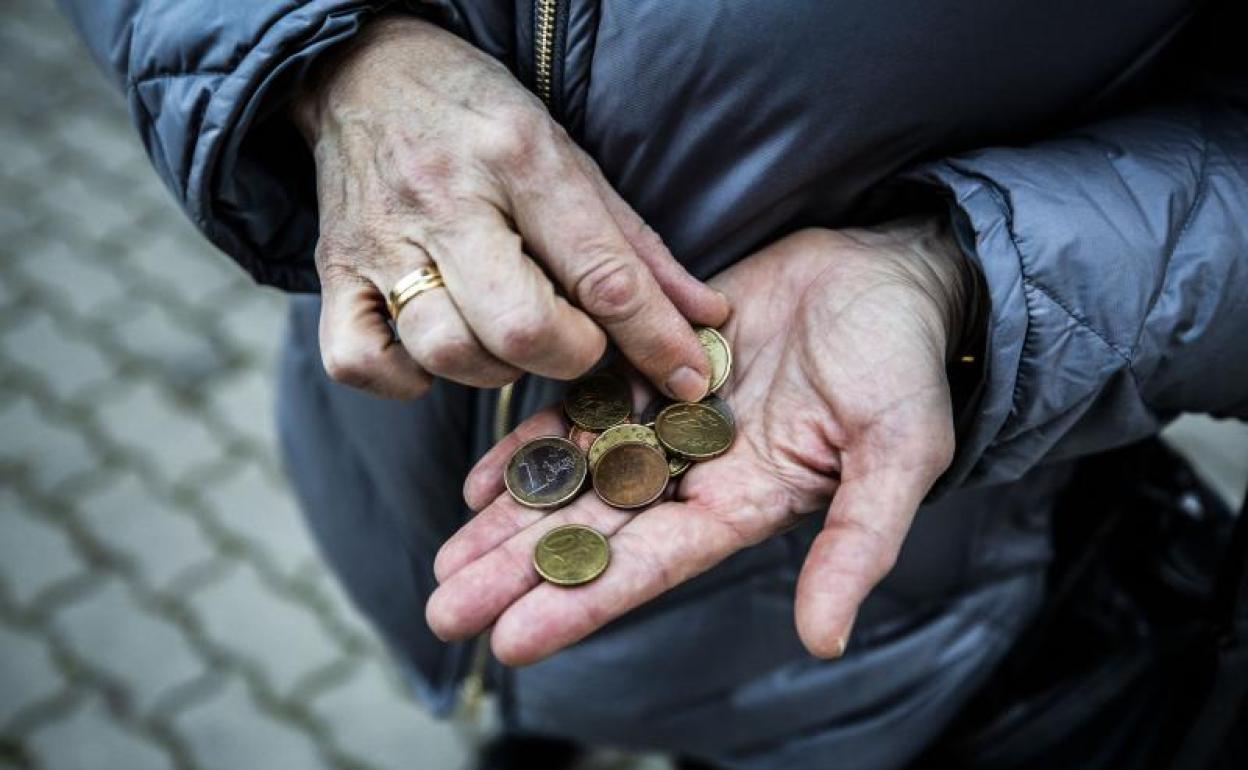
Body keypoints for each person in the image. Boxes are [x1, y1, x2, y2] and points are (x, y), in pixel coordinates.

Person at [59, 0, 1247, 768]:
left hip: (853, 623)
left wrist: (965, 278)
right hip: (397, 472)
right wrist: (323, 58)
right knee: (510, 686)